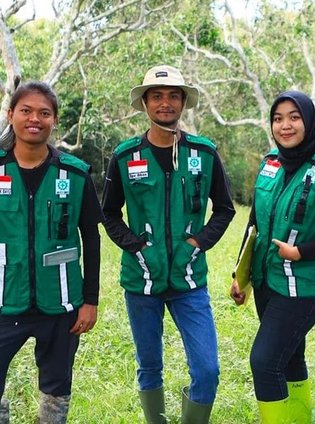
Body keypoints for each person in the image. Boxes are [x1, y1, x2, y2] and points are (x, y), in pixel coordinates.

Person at [102, 65, 235, 424]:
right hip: (141, 281)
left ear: (183, 102)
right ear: (144, 102)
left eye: (173, 95)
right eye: (157, 96)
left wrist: (198, 242)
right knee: (149, 366)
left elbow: (224, 209)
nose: (165, 103)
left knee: (207, 370)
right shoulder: (126, 155)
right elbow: (109, 213)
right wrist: (135, 246)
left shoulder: (204, 154)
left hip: (189, 281)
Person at [230, 90, 315, 423]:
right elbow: (255, 222)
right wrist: (239, 276)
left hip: (305, 285)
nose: (285, 125)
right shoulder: (270, 164)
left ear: (309, 121)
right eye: (278, 118)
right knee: (291, 356)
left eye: (294, 117)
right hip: (267, 279)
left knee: (265, 361)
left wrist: (301, 252)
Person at [0, 81, 102, 424]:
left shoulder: (74, 173)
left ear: (54, 120)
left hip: (60, 301)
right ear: (10, 114)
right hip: (3, 298)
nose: (34, 119)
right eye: (26, 110)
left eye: (44, 113)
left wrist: (91, 300)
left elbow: (91, 236)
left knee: (57, 388)